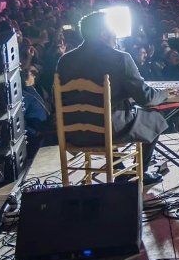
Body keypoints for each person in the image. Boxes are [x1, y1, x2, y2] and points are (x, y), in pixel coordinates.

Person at [55, 11, 170, 186]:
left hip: (73, 133)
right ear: (103, 33)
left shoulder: (65, 60)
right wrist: (166, 93)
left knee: (114, 114)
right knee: (154, 118)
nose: (116, 34)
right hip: (107, 131)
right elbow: (146, 98)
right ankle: (140, 174)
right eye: (112, 30)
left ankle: (121, 171)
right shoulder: (120, 58)